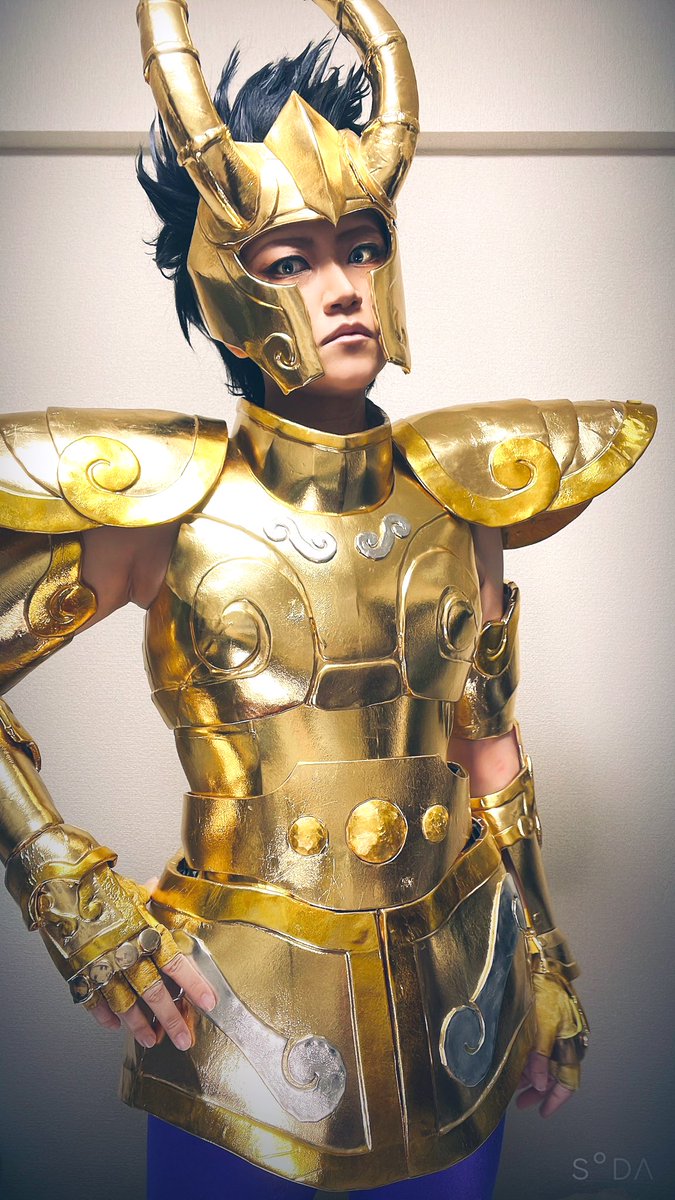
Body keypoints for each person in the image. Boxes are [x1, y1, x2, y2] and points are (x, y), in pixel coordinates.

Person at [0, 1, 656, 1197]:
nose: (342, 286)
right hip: (241, 1036)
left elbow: (486, 743)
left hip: (459, 1014)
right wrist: (76, 904)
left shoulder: (463, 489)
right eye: (291, 260)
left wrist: (548, 959)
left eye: (360, 245)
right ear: (225, 287)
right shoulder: (163, 504)